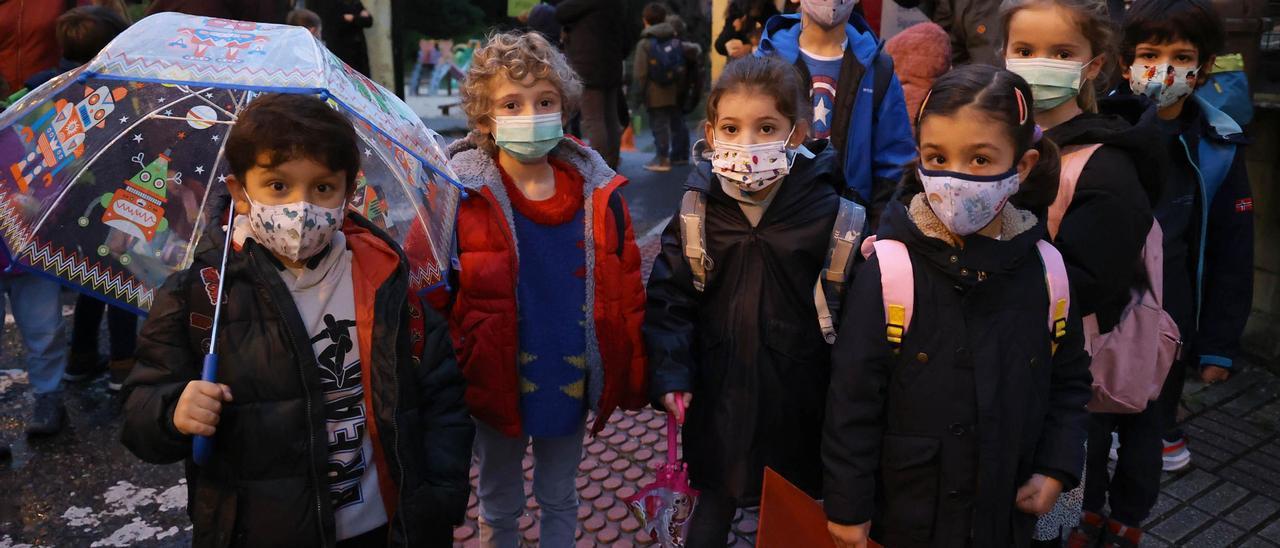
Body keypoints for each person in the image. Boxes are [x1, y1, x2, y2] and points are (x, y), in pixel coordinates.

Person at [120, 93, 474, 546]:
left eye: (322, 188)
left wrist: (437, 499)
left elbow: (441, 394)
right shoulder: (202, 295)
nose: (300, 210)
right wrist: (174, 412)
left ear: (349, 192)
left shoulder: (383, 281)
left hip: (385, 529)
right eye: (278, 186)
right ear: (239, 193)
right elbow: (139, 413)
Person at [823, 64, 1092, 548]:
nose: (955, 178)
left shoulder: (1046, 271)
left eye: (981, 160)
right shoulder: (889, 269)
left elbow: (1069, 381)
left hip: (1003, 516)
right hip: (906, 518)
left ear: (1023, 166)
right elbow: (852, 400)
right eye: (937, 157)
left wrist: (1057, 466)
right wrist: (847, 505)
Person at [442, 31, 648, 547]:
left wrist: (634, 366)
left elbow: (624, 289)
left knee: (560, 495)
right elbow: (440, 291)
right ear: (485, 119)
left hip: (570, 379)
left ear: (564, 108)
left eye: (545, 100)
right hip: (495, 378)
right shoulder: (460, 195)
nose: (531, 113)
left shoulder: (593, 190)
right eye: (512, 103)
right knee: (499, 501)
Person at [1065, 2, 1254, 546]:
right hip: (1097, 315)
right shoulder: (1098, 129)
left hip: (1170, 323)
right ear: (1125, 65)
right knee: (1087, 429)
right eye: (1150, 55)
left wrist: (1218, 344)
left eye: (1181, 57)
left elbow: (1231, 250)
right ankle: (1084, 516)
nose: (1164, 70)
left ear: (1204, 67)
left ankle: (1128, 520)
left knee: (1148, 430)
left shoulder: (1217, 146)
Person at [646, 55, 840, 547]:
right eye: (731, 128)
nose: (747, 144)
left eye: (766, 127)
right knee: (714, 508)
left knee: (791, 515)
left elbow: (849, 313)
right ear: (711, 134)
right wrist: (671, 375)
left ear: (796, 134)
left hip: (798, 402)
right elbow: (670, 300)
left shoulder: (833, 213)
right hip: (718, 400)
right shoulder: (696, 211)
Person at [1002, 1, 1162, 545]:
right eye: (1023, 51)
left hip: (1061, 369)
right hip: (989, 360)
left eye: (1060, 53)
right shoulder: (993, 138)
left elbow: (1091, 279)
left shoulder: (1106, 165)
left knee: (1048, 508)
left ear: (1093, 66)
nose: (1038, 64)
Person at [756, 0, 916, 227]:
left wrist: (876, 236)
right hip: (774, 225)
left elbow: (894, 166)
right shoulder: (763, 62)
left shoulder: (879, 69)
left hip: (852, 231)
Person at [556, 0, 630, 169]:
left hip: (588, 67)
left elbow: (561, 12)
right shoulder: (617, 5)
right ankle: (611, 161)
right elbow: (627, 37)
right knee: (610, 117)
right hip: (612, 66)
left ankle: (599, 166)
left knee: (593, 119)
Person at [632, 3, 692, 172]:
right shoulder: (675, 38)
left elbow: (640, 73)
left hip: (655, 92)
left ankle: (662, 159)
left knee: (659, 125)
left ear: (645, 20)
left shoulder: (645, 43)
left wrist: (638, 97)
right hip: (675, 90)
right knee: (677, 122)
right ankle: (680, 156)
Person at [715, 0, 780, 60]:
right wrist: (734, 30)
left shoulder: (767, 7)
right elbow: (720, 46)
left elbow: (777, 44)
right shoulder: (736, 7)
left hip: (763, 64)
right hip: (740, 65)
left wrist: (751, 48)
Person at [326, 0, 374, 77]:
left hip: (359, 50)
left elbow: (369, 21)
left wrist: (353, 18)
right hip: (343, 49)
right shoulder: (335, 5)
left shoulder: (356, 3)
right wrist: (358, 17)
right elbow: (337, 24)